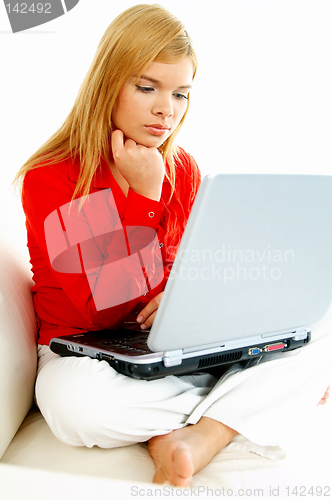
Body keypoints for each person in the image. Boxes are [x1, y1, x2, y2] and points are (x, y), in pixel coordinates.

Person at [15, 3, 330, 488]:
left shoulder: (183, 168)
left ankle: (196, 431)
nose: (168, 109)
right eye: (147, 88)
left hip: (172, 349)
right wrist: (144, 197)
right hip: (87, 355)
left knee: (316, 337)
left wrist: (190, 298)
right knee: (74, 406)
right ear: (107, 85)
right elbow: (105, 307)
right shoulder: (57, 176)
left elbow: (183, 270)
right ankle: (223, 421)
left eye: (181, 93)